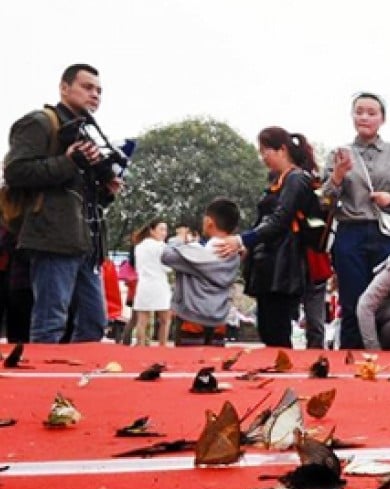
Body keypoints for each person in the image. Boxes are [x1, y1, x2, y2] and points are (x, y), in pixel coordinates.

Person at [4, 63, 123, 343]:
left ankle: (79, 372)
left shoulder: (86, 133)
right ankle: (41, 373)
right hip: (52, 237)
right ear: (64, 88)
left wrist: (106, 188)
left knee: (94, 324)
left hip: (87, 242)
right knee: (50, 322)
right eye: (87, 87)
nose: (95, 95)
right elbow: (15, 172)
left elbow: (80, 195)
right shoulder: (40, 122)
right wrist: (68, 161)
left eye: (99, 91)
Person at [323, 93, 390, 349]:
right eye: (359, 112)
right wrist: (337, 176)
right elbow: (324, 200)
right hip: (350, 231)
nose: (364, 117)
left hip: (386, 233)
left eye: (371, 113)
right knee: (352, 301)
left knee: (385, 297)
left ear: (382, 119)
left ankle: (383, 353)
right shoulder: (338, 154)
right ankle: (351, 355)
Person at [216, 127, 320, 348]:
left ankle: (283, 365)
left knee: (277, 329)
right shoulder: (279, 181)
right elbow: (264, 220)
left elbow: (280, 219)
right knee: (266, 327)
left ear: (282, 150)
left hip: (284, 263)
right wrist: (247, 246)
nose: (263, 157)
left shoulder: (297, 179)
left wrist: (243, 240)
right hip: (268, 262)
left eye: (266, 151)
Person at [160, 198, 241, 346]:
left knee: (188, 360)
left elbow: (166, 255)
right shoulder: (234, 256)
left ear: (209, 222)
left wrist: (178, 239)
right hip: (219, 320)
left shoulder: (196, 254)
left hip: (192, 319)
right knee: (214, 359)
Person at [131, 218, 172, 346]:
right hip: (160, 285)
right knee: (165, 320)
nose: (164, 233)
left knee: (142, 321)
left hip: (144, 285)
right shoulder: (162, 247)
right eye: (161, 229)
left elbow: (137, 266)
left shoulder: (139, 247)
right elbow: (168, 268)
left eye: (165, 230)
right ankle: (162, 347)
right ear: (152, 231)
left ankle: (140, 346)